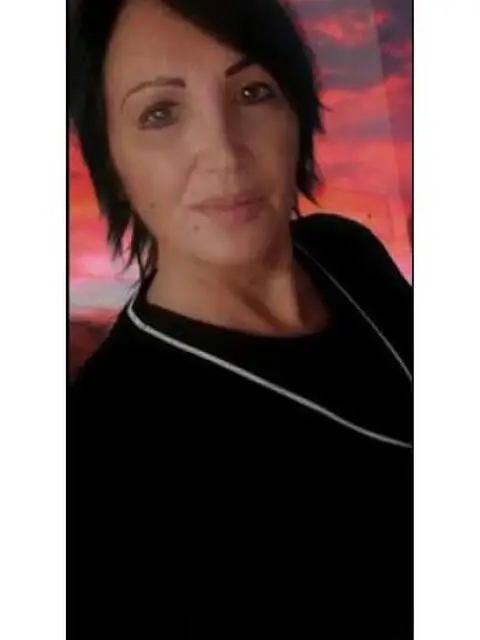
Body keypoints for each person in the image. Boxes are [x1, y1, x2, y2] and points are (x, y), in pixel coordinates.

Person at [69, 0, 413, 638]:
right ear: (111, 161)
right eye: (160, 112)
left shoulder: (345, 251)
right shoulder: (97, 457)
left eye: (253, 92)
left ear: (297, 113)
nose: (224, 153)